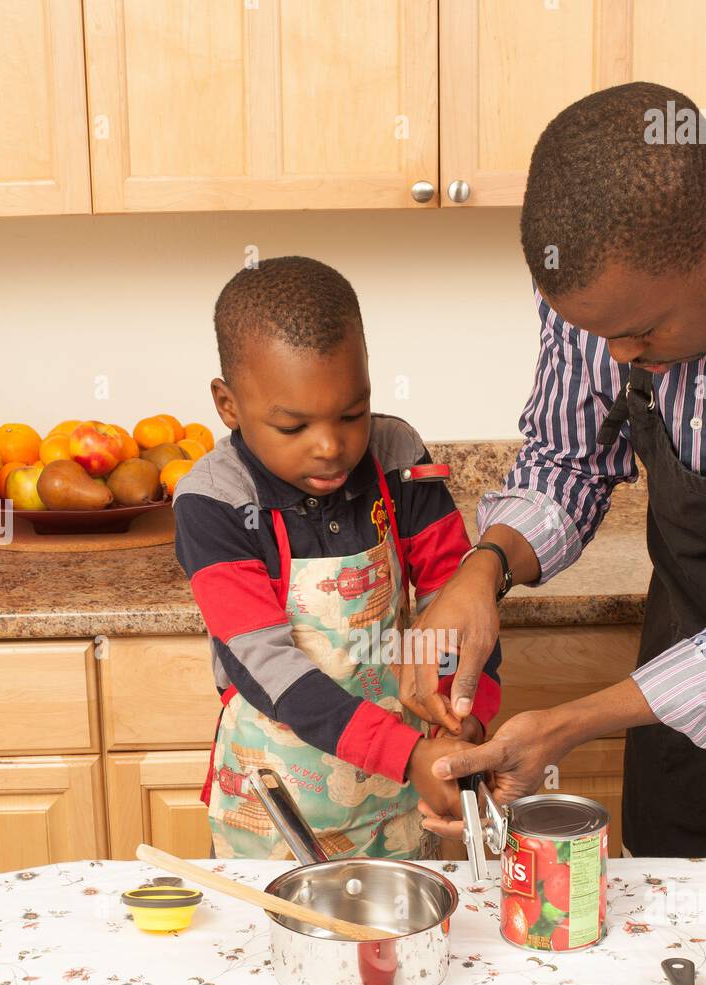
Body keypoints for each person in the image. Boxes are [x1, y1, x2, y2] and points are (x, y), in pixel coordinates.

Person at [404, 81, 706, 857]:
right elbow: (569, 460)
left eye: (636, 333)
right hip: (676, 718)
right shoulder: (608, 288)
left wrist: (571, 723)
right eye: (595, 334)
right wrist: (483, 567)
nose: (616, 358)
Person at [173, 256, 500, 859]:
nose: (331, 447)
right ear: (228, 404)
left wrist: (465, 712)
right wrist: (409, 754)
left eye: (352, 413)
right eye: (294, 426)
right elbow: (266, 666)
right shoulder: (213, 500)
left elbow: (454, 597)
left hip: (405, 796)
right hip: (277, 811)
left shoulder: (397, 453)